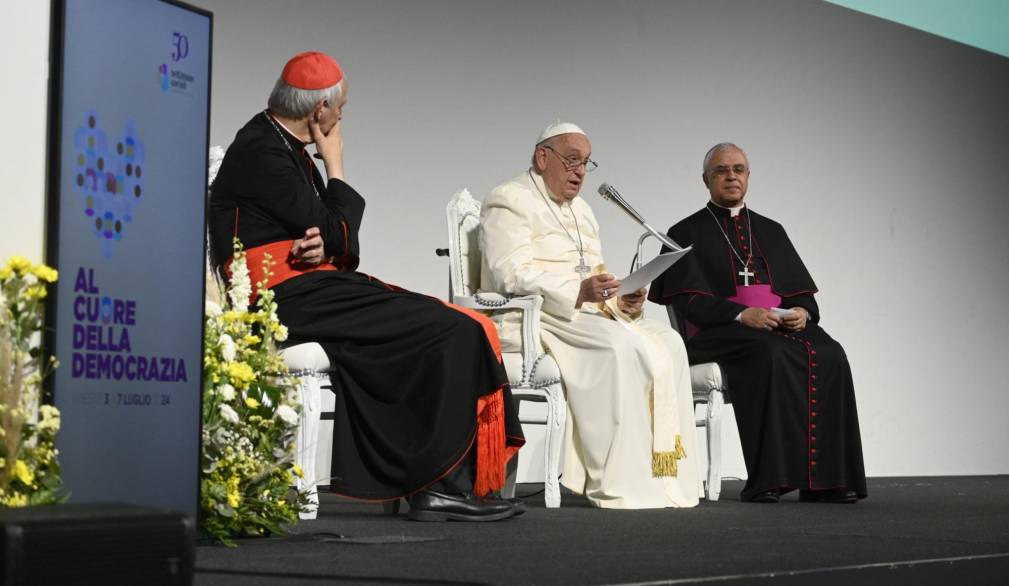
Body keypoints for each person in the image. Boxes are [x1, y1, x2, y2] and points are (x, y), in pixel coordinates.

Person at [208, 51, 524, 521]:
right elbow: (337, 230)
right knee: (449, 328)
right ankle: (438, 488)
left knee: (446, 325)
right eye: (342, 109)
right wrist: (336, 164)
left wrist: (322, 244)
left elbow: (334, 239)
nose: (340, 119)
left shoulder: (282, 148)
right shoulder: (261, 148)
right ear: (320, 112)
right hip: (281, 299)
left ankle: (433, 484)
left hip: (309, 289)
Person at [479, 122, 702, 509]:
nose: (580, 171)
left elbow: (593, 270)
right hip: (535, 316)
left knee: (670, 342)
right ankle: (616, 478)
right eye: (572, 161)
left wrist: (620, 299)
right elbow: (506, 272)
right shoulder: (509, 198)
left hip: (581, 312)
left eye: (586, 163)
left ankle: (665, 477)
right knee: (621, 345)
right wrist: (575, 292)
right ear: (542, 157)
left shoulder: (582, 210)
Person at [648, 142, 867, 504]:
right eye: (721, 170)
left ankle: (828, 482)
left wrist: (802, 312)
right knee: (769, 353)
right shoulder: (685, 231)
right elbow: (688, 302)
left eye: (738, 169)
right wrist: (740, 314)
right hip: (716, 333)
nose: (731, 176)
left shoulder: (771, 230)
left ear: (748, 176)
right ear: (706, 180)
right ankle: (771, 479)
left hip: (775, 327)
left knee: (831, 353)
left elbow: (801, 293)